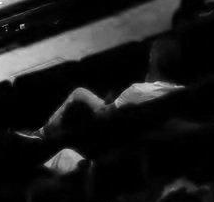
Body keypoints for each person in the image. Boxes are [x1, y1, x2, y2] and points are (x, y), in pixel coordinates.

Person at [23, 36, 185, 141]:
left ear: (154, 61)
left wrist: (110, 102)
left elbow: (107, 113)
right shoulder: (181, 91)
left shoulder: (138, 90)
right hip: (139, 127)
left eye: (151, 56)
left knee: (80, 93)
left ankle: (40, 135)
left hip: (114, 129)